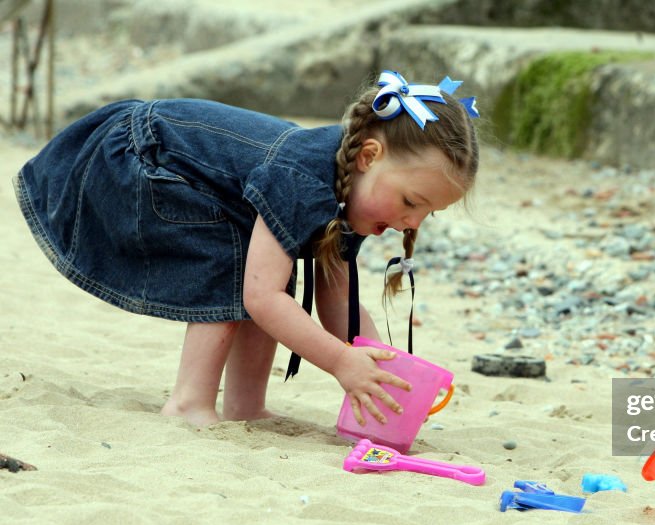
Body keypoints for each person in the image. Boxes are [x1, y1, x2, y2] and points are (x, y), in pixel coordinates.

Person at [13, 70, 480, 427]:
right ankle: (188, 402)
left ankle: (245, 407)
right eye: (411, 202)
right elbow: (261, 298)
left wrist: (379, 365)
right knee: (245, 270)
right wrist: (341, 363)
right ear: (369, 157)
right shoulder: (302, 178)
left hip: (165, 158)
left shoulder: (349, 194)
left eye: (426, 214)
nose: (411, 223)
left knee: (270, 272)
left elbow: (336, 303)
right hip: (139, 154)